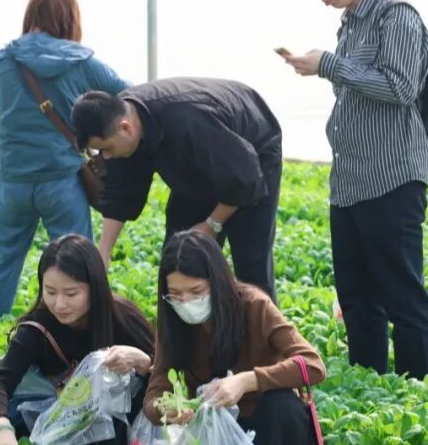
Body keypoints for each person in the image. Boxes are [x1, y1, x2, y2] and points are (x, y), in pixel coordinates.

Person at [283, 0, 428, 379]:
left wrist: (329, 65)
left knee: (402, 296)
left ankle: (419, 389)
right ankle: (370, 384)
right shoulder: (350, 22)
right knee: (356, 298)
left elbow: (400, 86)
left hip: (391, 178)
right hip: (349, 183)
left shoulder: (396, 15)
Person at [0, 0, 129, 319]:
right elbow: (130, 95)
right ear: (72, 19)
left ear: (31, 14)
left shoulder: (5, 58)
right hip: (63, 182)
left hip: (12, 184)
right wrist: (99, 136)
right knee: (78, 265)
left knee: (1, 263)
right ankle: (83, 330)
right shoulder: (82, 61)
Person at [143, 231, 326, 445]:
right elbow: (155, 392)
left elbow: (313, 365)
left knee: (282, 406)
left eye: (196, 292)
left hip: (265, 426)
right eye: (176, 295)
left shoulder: (253, 305)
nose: (186, 303)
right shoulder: (173, 322)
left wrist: (247, 381)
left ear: (217, 282)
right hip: (213, 431)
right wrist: (166, 408)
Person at [71, 78, 283, 300]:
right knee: (178, 261)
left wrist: (212, 224)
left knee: (250, 260)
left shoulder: (189, 119)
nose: (105, 157)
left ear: (126, 128)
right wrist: (103, 253)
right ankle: (184, 319)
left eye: (107, 149)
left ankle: (260, 318)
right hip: (193, 168)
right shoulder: (117, 123)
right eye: (99, 151)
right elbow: (120, 194)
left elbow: (243, 178)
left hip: (251, 152)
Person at [0, 234, 155, 445]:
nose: (59, 304)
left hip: (119, 429)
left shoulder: (121, 317)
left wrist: (142, 361)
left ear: (95, 287)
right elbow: (0, 382)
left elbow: (167, 375)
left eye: (71, 293)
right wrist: (1, 425)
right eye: (50, 292)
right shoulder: (36, 329)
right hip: (60, 424)